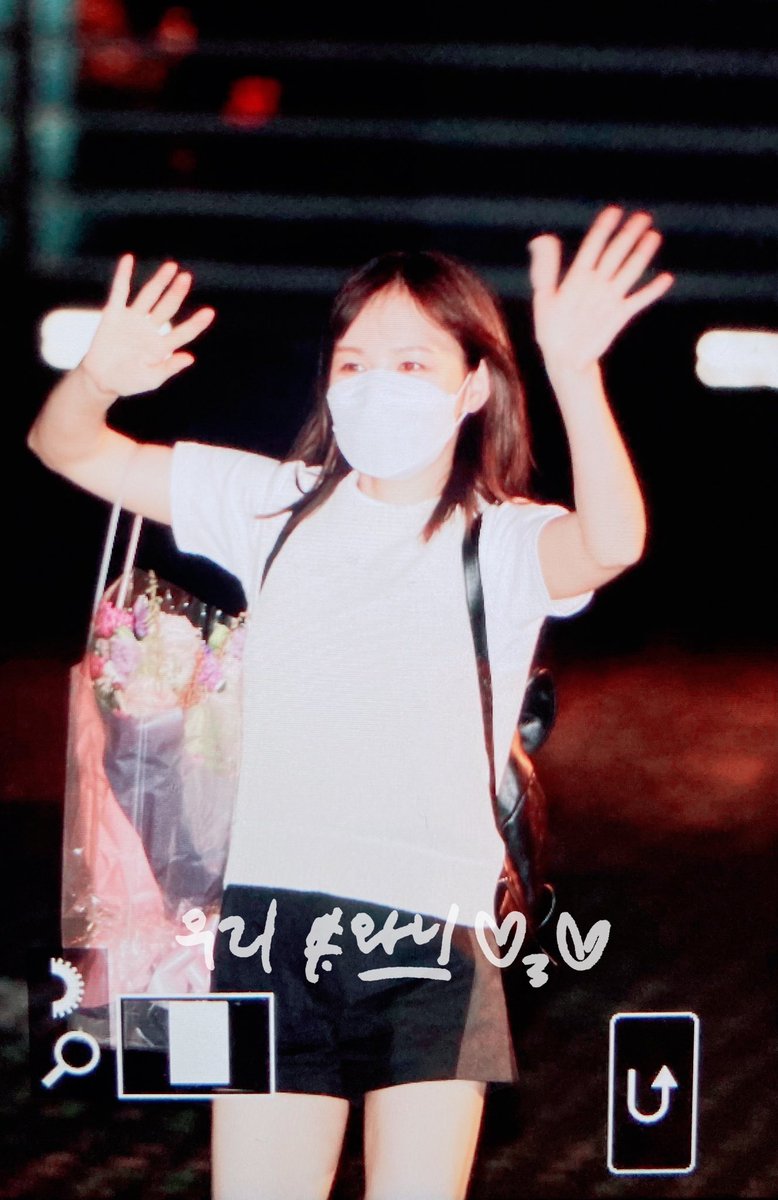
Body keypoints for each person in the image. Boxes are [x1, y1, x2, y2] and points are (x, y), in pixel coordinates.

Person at [27, 206, 673, 1200]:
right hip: (268, 926)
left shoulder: (499, 541)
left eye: (414, 363)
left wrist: (576, 373)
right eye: (356, 361)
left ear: (474, 387)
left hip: (433, 933)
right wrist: (97, 378)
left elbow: (611, 542)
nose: (378, 384)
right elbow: (67, 446)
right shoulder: (269, 504)